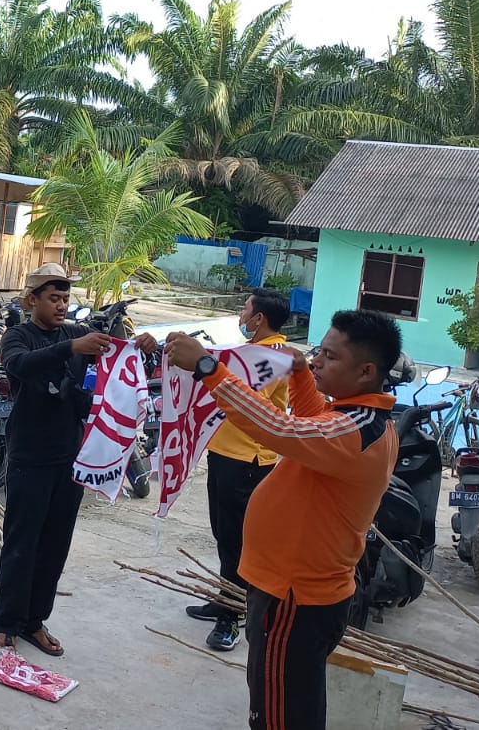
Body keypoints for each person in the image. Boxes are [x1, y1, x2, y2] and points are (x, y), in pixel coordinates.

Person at [165, 310, 402, 730]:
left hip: (295, 598)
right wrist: (299, 375)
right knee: (292, 705)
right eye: (317, 352)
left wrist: (207, 368)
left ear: (366, 371)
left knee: (278, 716)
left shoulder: (353, 432)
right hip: (293, 591)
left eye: (329, 356)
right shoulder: (359, 420)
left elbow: (280, 429)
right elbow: (312, 423)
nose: (317, 361)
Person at [0, 263, 155, 656]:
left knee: (55, 544)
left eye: (66, 298)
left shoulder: (76, 333)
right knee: (21, 543)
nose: (62, 305)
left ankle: (34, 622)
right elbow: (19, 365)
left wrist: (143, 345)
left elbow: (116, 351)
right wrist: (70, 349)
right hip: (30, 454)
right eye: (54, 298)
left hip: (71, 456)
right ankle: (5, 624)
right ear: (33, 300)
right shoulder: (19, 336)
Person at [187, 287, 293, 651]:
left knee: (237, 543)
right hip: (225, 453)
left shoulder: (275, 357)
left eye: (245, 308)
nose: (241, 314)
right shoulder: (252, 353)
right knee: (224, 535)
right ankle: (224, 598)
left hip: (248, 461)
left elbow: (249, 401)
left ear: (258, 318)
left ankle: (231, 617)